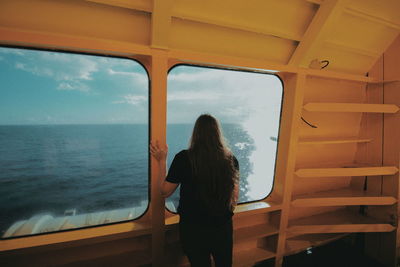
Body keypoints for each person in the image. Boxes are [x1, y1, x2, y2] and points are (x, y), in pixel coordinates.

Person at [150, 114, 239, 267]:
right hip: (222, 227)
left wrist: (161, 161)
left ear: (195, 133)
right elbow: (234, 198)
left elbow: (164, 192)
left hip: (194, 228)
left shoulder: (184, 158)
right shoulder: (230, 159)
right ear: (218, 133)